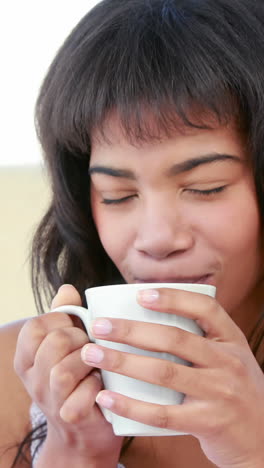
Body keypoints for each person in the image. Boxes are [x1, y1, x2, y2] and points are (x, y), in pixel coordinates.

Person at [1, 0, 264, 466]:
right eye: (118, 194)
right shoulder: (13, 380)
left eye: (207, 188)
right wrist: (75, 448)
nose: (158, 238)